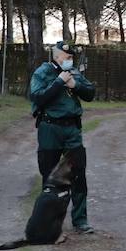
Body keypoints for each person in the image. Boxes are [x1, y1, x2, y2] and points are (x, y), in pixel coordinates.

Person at [28, 40, 97, 233]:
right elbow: (37, 97)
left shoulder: (74, 73)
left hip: (72, 130)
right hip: (50, 129)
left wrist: (75, 85)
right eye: (67, 57)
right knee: (49, 176)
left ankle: (80, 221)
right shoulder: (43, 72)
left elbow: (90, 93)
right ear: (56, 56)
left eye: (71, 57)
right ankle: (48, 224)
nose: (70, 60)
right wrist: (59, 82)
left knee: (78, 175)